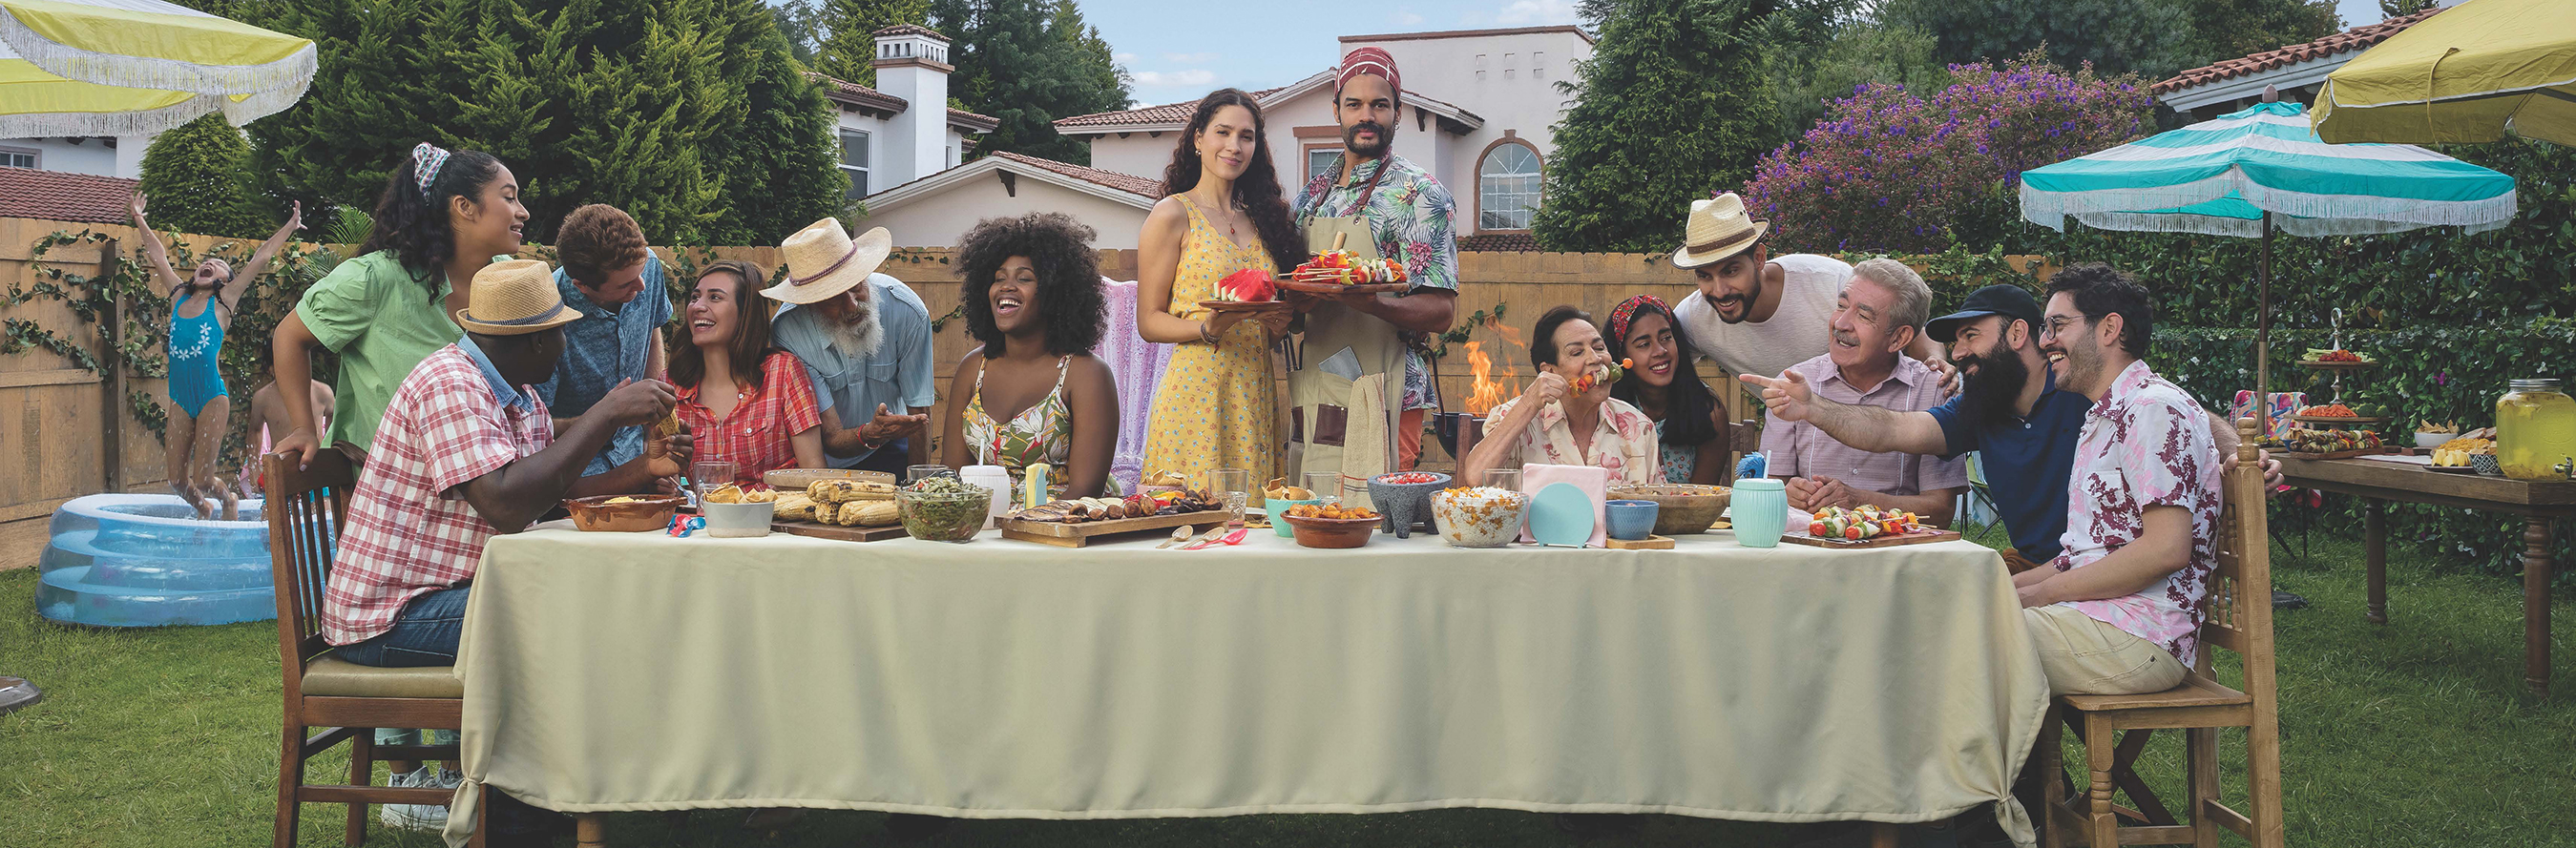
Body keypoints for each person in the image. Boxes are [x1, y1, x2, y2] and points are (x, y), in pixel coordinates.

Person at [318, 259, 677, 845]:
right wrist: (606, 413)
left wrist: (639, 471)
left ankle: (554, 800)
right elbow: (506, 504)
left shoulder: (515, 394)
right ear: (533, 341)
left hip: (446, 596)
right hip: (388, 616)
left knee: (577, 607)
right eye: (559, 332)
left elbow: (543, 493)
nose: (566, 344)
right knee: (550, 622)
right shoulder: (449, 386)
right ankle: (519, 817)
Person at [1740, 277, 2279, 572]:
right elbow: (1891, 430)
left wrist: (2238, 454)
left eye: (1970, 337)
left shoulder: (2080, 388)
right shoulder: (1982, 408)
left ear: (2018, 334)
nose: (1958, 353)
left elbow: (2188, 412)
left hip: (2103, 570)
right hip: (2036, 564)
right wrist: (1814, 409)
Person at [2011, 265, 2222, 697]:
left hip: (2141, 635)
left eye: (2057, 325)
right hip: (2099, 618)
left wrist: (2040, 595)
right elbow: (2081, 557)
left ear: (2110, 328)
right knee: (1964, 616)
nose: (2045, 341)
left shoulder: (2152, 409)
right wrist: (1998, 589)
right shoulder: (2106, 417)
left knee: (1963, 640)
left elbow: (2166, 549)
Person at [272, 143, 526, 468]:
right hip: (391, 485)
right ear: (464, 206)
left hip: (491, 471)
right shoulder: (376, 279)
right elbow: (290, 336)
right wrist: (303, 428)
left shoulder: (504, 277)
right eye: (509, 198)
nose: (523, 211)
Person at [1290, 49, 1460, 480]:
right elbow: (1295, 305)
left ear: (1397, 112)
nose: (1366, 116)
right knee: (1316, 503)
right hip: (1319, 387)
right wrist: (1294, 304)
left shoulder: (1420, 194)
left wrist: (1373, 303)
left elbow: (1442, 311)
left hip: (1388, 389)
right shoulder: (1311, 197)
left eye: (1379, 105)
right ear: (1336, 110)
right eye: (1354, 104)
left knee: (1380, 508)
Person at [1139, 88, 1299, 490]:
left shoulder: (1264, 221)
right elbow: (1149, 321)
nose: (1234, 146)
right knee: (1191, 515)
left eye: (1246, 137)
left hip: (1254, 393)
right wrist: (1207, 328)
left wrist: (1279, 325)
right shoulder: (1172, 214)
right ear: (1198, 138)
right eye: (1223, 132)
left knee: (1253, 520)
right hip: (1195, 394)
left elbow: (1269, 324)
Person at [130, 194, 304, 519]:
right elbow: (158, 256)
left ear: (225, 281)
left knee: (204, 480)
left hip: (212, 396)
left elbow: (262, 257)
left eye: (218, 265)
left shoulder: (224, 302)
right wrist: (139, 218)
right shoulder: (178, 297)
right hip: (180, 398)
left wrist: (291, 226)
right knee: (177, 481)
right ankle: (205, 509)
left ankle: (229, 499)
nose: (208, 264)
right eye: (205, 262)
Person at [1759, 259, 1967, 527]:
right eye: (1841, 306)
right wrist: (1785, 494)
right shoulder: (1795, 382)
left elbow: (1940, 512)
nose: (1841, 323)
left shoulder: (1935, 390)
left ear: (1899, 338)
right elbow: (1766, 490)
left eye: (1864, 316)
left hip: (1897, 548)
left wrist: (1860, 502)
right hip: (1809, 545)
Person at [939, 213, 1120, 498]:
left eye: (1024, 278)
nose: (1006, 287)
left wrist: (1019, 521)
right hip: (983, 520)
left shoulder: (1086, 373)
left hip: (1062, 519)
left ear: (1055, 293)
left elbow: (1085, 490)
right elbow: (952, 476)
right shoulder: (973, 368)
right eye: (999, 278)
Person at [1668, 193, 1940, 383]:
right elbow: (1661, 366)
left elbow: (1908, 327)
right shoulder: (1694, 317)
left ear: (1759, 258)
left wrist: (1936, 361)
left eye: (1731, 271)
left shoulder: (1830, 281)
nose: (1719, 290)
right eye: (1705, 276)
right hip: (1792, 437)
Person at [763, 220, 936, 477]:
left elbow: (918, 416)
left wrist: (917, 486)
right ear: (810, 304)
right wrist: (868, 434)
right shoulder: (789, 331)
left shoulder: (907, 311)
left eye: (856, 286)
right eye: (834, 298)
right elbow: (831, 436)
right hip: (823, 455)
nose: (853, 305)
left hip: (891, 442)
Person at [533, 203, 680, 494]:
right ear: (582, 286)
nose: (641, 286)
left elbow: (652, 329)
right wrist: (606, 418)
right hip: (579, 476)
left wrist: (652, 414)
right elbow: (535, 424)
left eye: (641, 273)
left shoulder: (647, 267)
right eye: (626, 284)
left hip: (638, 453)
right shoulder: (548, 313)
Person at [1460, 306, 1658, 486]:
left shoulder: (1639, 426)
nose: (1596, 359)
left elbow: (1659, 500)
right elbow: (1476, 477)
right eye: (1577, 352)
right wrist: (1528, 403)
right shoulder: (1514, 416)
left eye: (1599, 348)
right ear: (1550, 371)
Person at [674, 260, 824, 486]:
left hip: (775, 508)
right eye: (695, 297)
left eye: (715, 297)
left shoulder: (782, 372)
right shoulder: (670, 385)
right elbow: (668, 477)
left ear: (745, 313)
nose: (697, 306)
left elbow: (814, 471)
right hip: (701, 510)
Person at [1604, 295, 1728, 485]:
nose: (1660, 350)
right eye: (1644, 344)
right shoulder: (1607, 409)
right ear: (1622, 356)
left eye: (1666, 338)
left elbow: (1701, 496)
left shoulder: (1707, 411)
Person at [241, 381, 333, 497]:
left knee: (323, 505)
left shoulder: (322, 391)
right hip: (280, 472)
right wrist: (254, 470)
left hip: (314, 470)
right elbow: (255, 431)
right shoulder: (263, 397)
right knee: (271, 508)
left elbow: (334, 421)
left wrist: (330, 458)